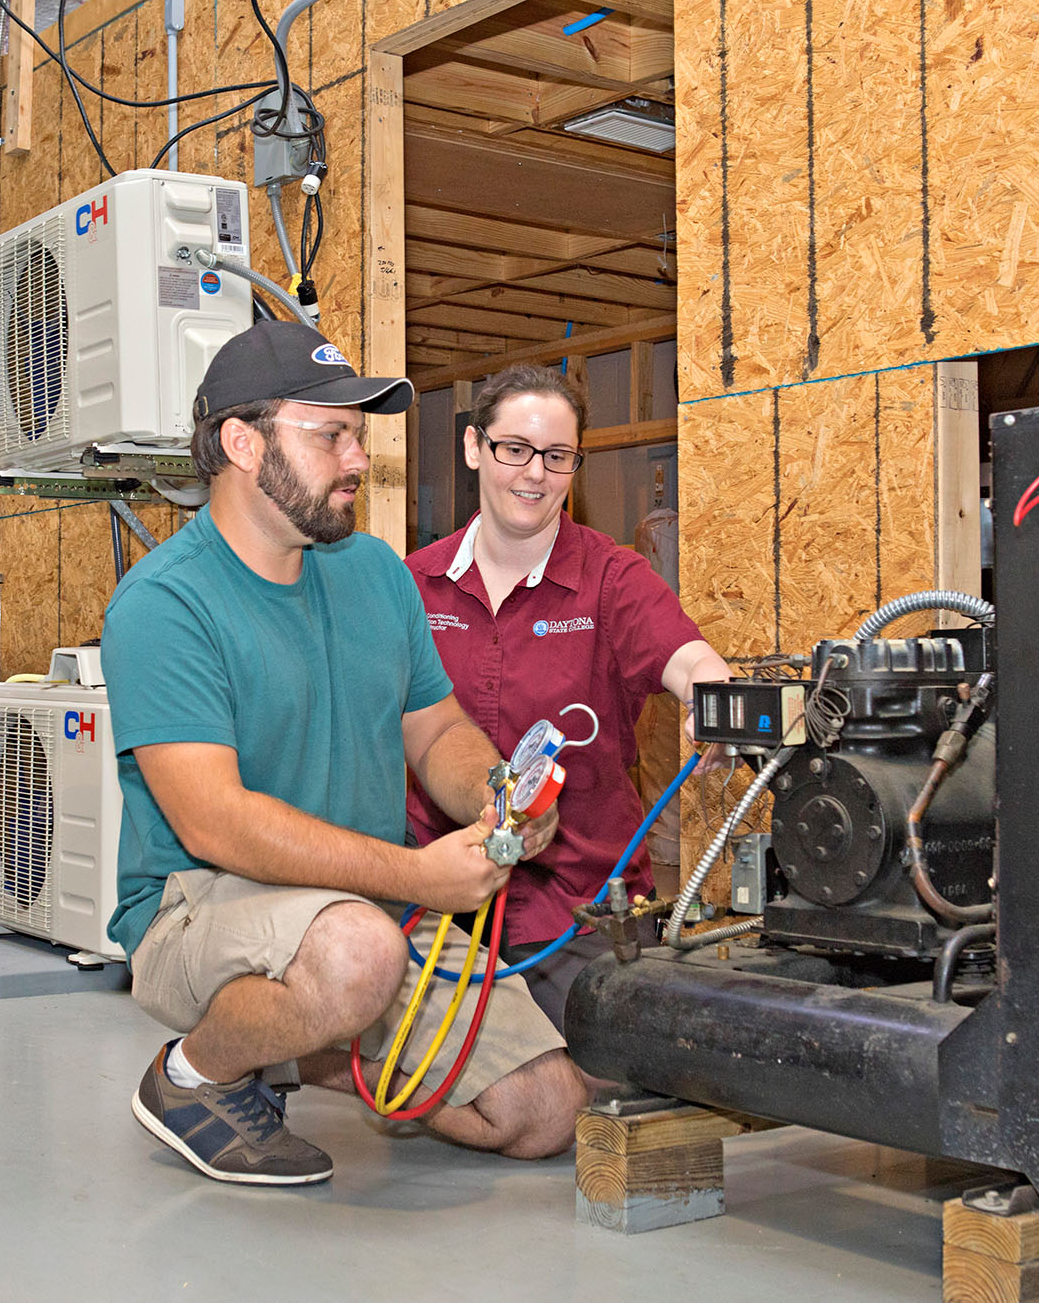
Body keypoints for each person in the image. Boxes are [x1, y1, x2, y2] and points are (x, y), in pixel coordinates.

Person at [102, 323, 587, 1188]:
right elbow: (217, 822)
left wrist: (498, 791)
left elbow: (434, 731)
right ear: (242, 443)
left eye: (357, 435)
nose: (358, 458)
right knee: (359, 953)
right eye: (331, 434)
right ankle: (193, 1075)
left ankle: (311, 1042)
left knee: (547, 1108)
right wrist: (418, 878)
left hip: (362, 911)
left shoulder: (373, 572)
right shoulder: (164, 605)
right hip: (200, 906)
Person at [405, 364, 735, 1029]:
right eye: (515, 449)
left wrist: (712, 693)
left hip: (576, 903)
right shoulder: (413, 584)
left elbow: (687, 654)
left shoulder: (612, 578)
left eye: (557, 457)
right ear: (475, 448)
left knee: (598, 1079)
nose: (534, 474)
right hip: (436, 899)